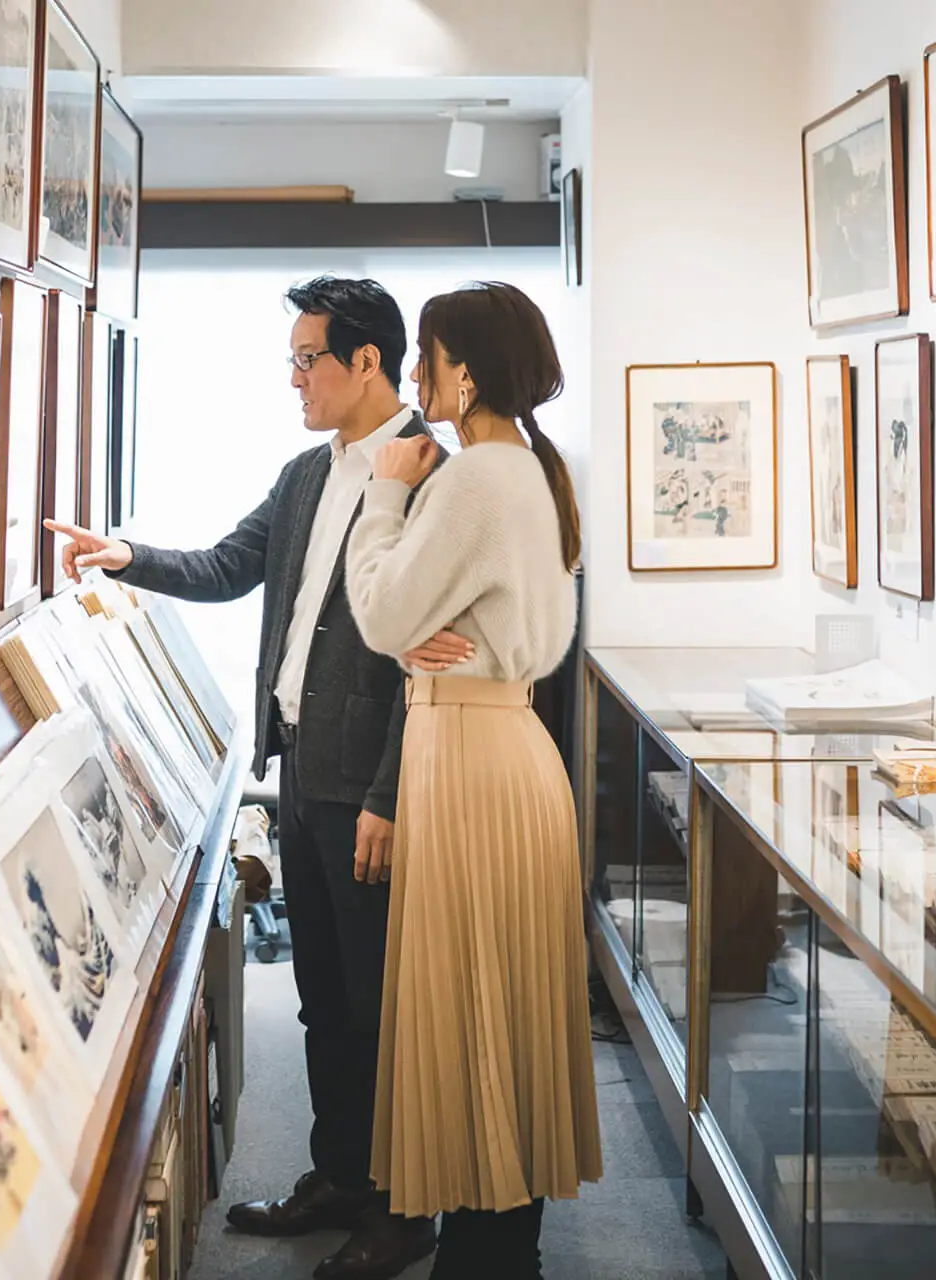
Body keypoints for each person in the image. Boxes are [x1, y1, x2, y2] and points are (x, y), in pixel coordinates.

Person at [47, 276, 472, 1280]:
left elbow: (435, 655)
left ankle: (403, 1208)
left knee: (381, 1008)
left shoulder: (431, 475)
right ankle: (337, 1175)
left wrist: (389, 793)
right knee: (326, 997)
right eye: (291, 361)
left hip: (372, 791)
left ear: (367, 361)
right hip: (301, 774)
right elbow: (233, 564)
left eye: (306, 360)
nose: (294, 379)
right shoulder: (304, 473)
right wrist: (125, 555)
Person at [344, 281, 603, 1278]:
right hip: (500, 752)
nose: (415, 375)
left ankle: (488, 1255)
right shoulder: (524, 469)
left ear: (469, 371)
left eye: (427, 356)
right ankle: (500, 1249)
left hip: (472, 761)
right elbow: (411, 620)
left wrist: (385, 489)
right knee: (497, 1006)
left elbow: (378, 613)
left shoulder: (475, 479)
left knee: (476, 1011)